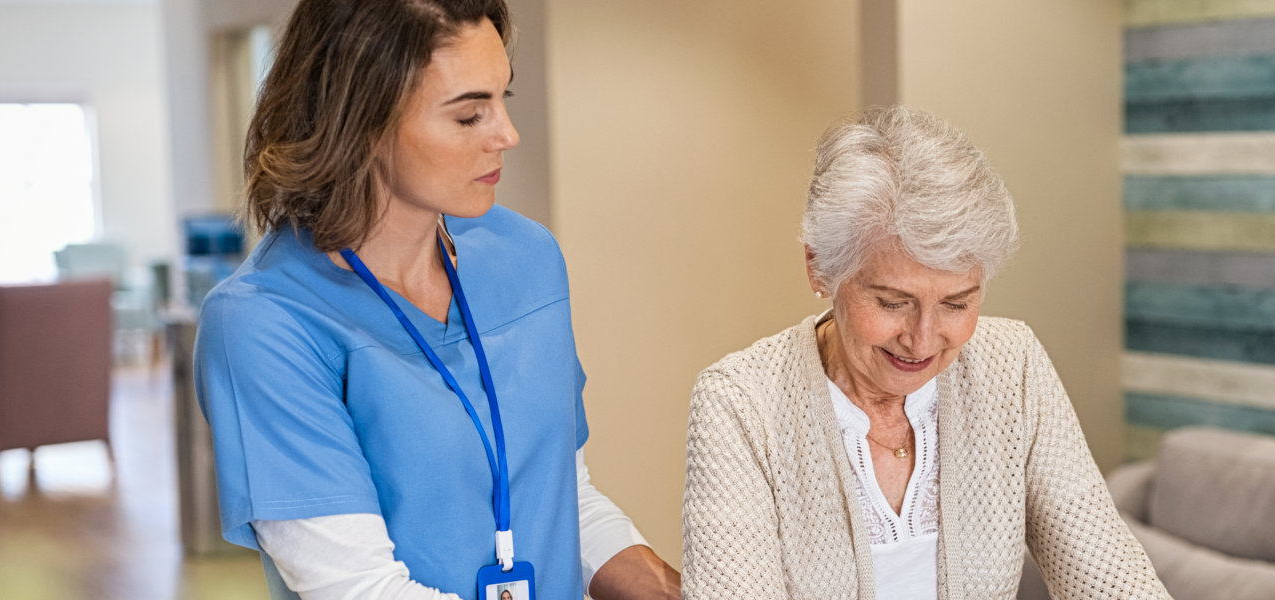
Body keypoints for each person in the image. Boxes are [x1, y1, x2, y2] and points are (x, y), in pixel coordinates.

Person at [194, 1, 680, 598]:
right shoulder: (264, 322)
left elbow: (560, 495)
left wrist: (668, 589)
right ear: (362, 124)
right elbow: (359, 588)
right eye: (470, 114)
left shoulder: (526, 258)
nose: (507, 134)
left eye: (503, 99)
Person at [679, 106, 1169, 599]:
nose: (922, 339)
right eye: (893, 303)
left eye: (957, 303)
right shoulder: (742, 402)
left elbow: (1112, 579)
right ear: (819, 267)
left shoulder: (1012, 365)